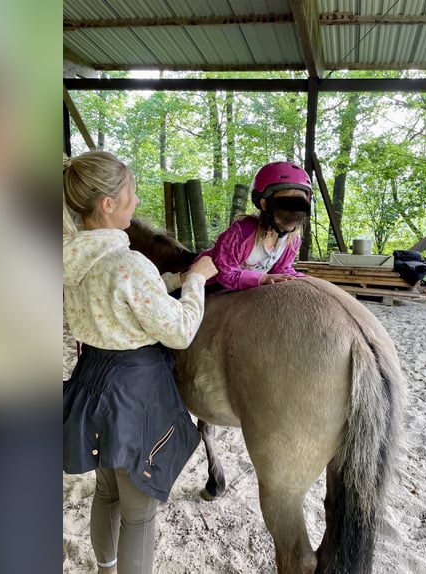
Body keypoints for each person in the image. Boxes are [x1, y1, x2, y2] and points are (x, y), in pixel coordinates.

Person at [62, 150, 218, 574]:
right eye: (131, 193)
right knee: (139, 514)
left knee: (106, 494)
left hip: (90, 380)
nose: (136, 201)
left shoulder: (68, 259)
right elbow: (181, 330)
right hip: (134, 394)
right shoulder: (128, 264)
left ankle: (105, 569)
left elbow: (118, 300)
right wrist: (197, 281)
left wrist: (166, 283)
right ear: (107, 203)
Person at [197, 161, 313, 290]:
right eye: (286, 204)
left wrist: (304, 280)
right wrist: (262, 278)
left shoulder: (292, 241)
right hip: (209, 283)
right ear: (264, 204)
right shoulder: (241, 233)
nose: (294, 212)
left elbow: (282, 269)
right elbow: (225, 273)